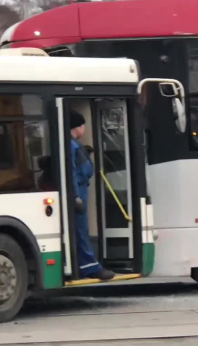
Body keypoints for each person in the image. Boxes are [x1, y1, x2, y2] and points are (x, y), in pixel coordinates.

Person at [70, 110, 115, 280]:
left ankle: (87, 265)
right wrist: (75, 196)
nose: (84, 130)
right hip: (78, 191)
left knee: (82, 229)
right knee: (81, 230)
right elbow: (72, 172)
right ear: (78, 126)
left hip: (81, 189)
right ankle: (90, 268)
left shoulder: (74, 144)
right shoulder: (71, 145)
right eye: (83, 126)